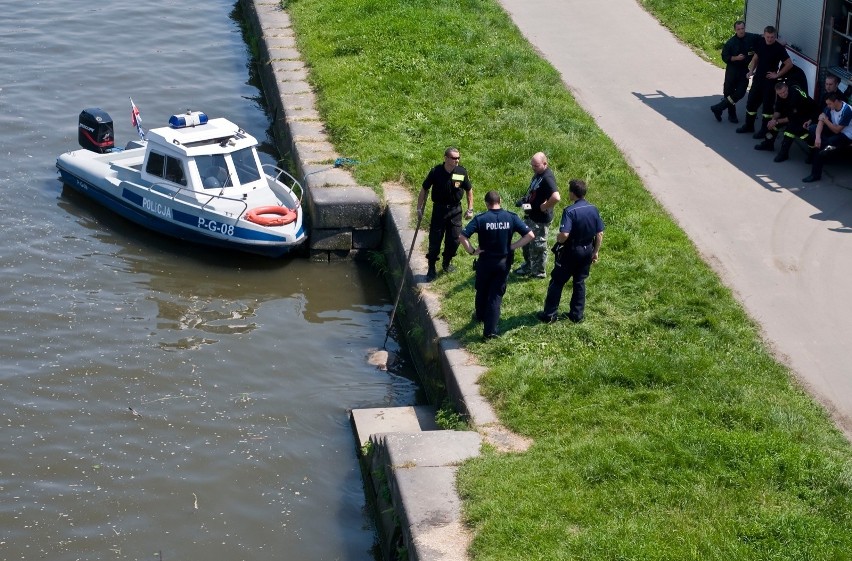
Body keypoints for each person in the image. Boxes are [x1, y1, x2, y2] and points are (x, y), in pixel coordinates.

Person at [459, 191, 534, 340]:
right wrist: (512, 246)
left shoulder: (481, 219)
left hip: (485, 262)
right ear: (500, 201)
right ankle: (490, 331)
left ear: (487, 203)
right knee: (495, 295)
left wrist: (473, 251)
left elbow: (462, 236)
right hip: (503, 262)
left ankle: (480, 316)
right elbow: (530, 235)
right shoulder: (511, 217)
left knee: (481, 289)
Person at [537, 179, 604, 325]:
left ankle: (549, 315)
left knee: (557, 281)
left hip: (572, 251)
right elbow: (599, 234)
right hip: (587, 249)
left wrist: (559, 239)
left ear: (572, 193)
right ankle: (576, 315)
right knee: (579, 282)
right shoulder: (593, 209)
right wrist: (595, 251)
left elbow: (564, 235)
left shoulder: (569, 211)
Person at [417, 147, 474, 281]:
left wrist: (470, 208)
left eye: (458, 158)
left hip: (455, 210)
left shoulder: (461, 171)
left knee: (454, 239)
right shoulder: (436, 172)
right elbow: (424, 189)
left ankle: (446, 262)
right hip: (439, 210)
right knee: (435, 240)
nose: (457, 160)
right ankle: (431, 268)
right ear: (446, 158)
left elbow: (469, 190)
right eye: (454, 158)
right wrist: (419, 208)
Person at [736, 26, 793, 139]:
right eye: (768, 36)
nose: (770, 39)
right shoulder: (761, 42)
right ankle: (749, 126)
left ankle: (764, 130)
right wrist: (751, 71)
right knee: (751, 102)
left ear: (775, 36)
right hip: (758, 79)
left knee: (767, 107)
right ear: (764, 35)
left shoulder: (779, 48)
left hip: (770, 82)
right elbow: (755, 58)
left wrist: (777, 75)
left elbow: (789, 64)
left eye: (772, 37)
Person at [513, 152, 561, 279]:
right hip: (531, 216)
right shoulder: (539, 174)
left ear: (545, 164)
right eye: (532, 165)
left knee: (538, 245)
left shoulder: (547, 177)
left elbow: (556, 197)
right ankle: (528, 266)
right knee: (527, 242)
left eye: (536, 166)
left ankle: (538, 272)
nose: (533, 168)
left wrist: (544, 207)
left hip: (540, 220)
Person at [753, 81, 816, 163]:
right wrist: (773, 120)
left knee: (790, 130)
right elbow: (778, 109)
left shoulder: (794, 96)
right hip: (794, 114)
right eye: (780, 93)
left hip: (807, 115)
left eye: (784, 92)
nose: (783, 94)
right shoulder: (780, 95)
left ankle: (785, 154)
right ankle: (768, 144)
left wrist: (776, 122)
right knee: (773, 125)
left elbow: (792, 117)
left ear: (787, 88)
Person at [711, 20, 758, 123]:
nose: (741, 31)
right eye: (738, 29)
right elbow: (724, 57)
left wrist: (778, 41)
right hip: (732, 70)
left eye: (742, 28)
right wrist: (736, 58)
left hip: (744, 70)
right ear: (735, 30)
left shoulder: (752, 38)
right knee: (728, 93)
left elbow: (765, 37)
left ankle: (718, 108)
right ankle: (732, 115)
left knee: (741, 93)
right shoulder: (730, 43)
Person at [803, 92, 852, 183]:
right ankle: (824, 148)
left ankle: (815, 174)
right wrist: (818, 137)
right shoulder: (829, 107)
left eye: (830, 104)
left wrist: (825, 119)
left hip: (846, 135)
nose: (828, 106)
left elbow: (837, 130)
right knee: (814, 128)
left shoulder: (847, 111)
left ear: (837, 101)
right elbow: (820, 122)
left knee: (824, 143)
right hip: (834, 128)